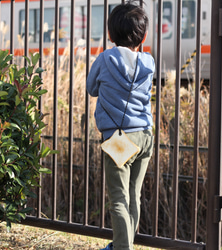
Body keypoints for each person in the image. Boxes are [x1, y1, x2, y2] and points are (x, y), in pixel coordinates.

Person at [86, 1, 155, 249]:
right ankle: (122, 245)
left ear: (110, 34)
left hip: (119, 138)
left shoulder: (105, 59)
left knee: (119, 198)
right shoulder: (149, 62)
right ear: (144, 36)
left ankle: (121, 248)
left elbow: (92, 88)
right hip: (145, 134)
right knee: (133, 195)